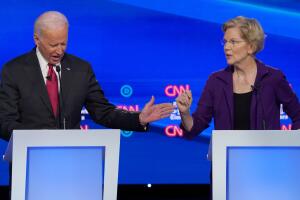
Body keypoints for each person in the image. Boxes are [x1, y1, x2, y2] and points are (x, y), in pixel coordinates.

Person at [0, 11, 174, 141]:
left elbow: (103, 112)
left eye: (64, 43)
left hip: (73, 161)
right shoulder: (14, 70)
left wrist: (139, 119)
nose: (59, 50)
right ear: (37, 40)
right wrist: (36, 139)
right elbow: (5, 122)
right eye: (53, 45)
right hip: (29, 161)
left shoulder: (80, 69)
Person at [177, 16, 300, 141]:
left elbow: (298, 116)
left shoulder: (273, 78)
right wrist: (185, 112)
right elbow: (194, 128)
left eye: (233, 42)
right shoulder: (216, 81)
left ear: (251, 47)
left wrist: (290, 146)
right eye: (225, 42)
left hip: (267, 158)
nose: (226, 47)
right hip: (228, 158)